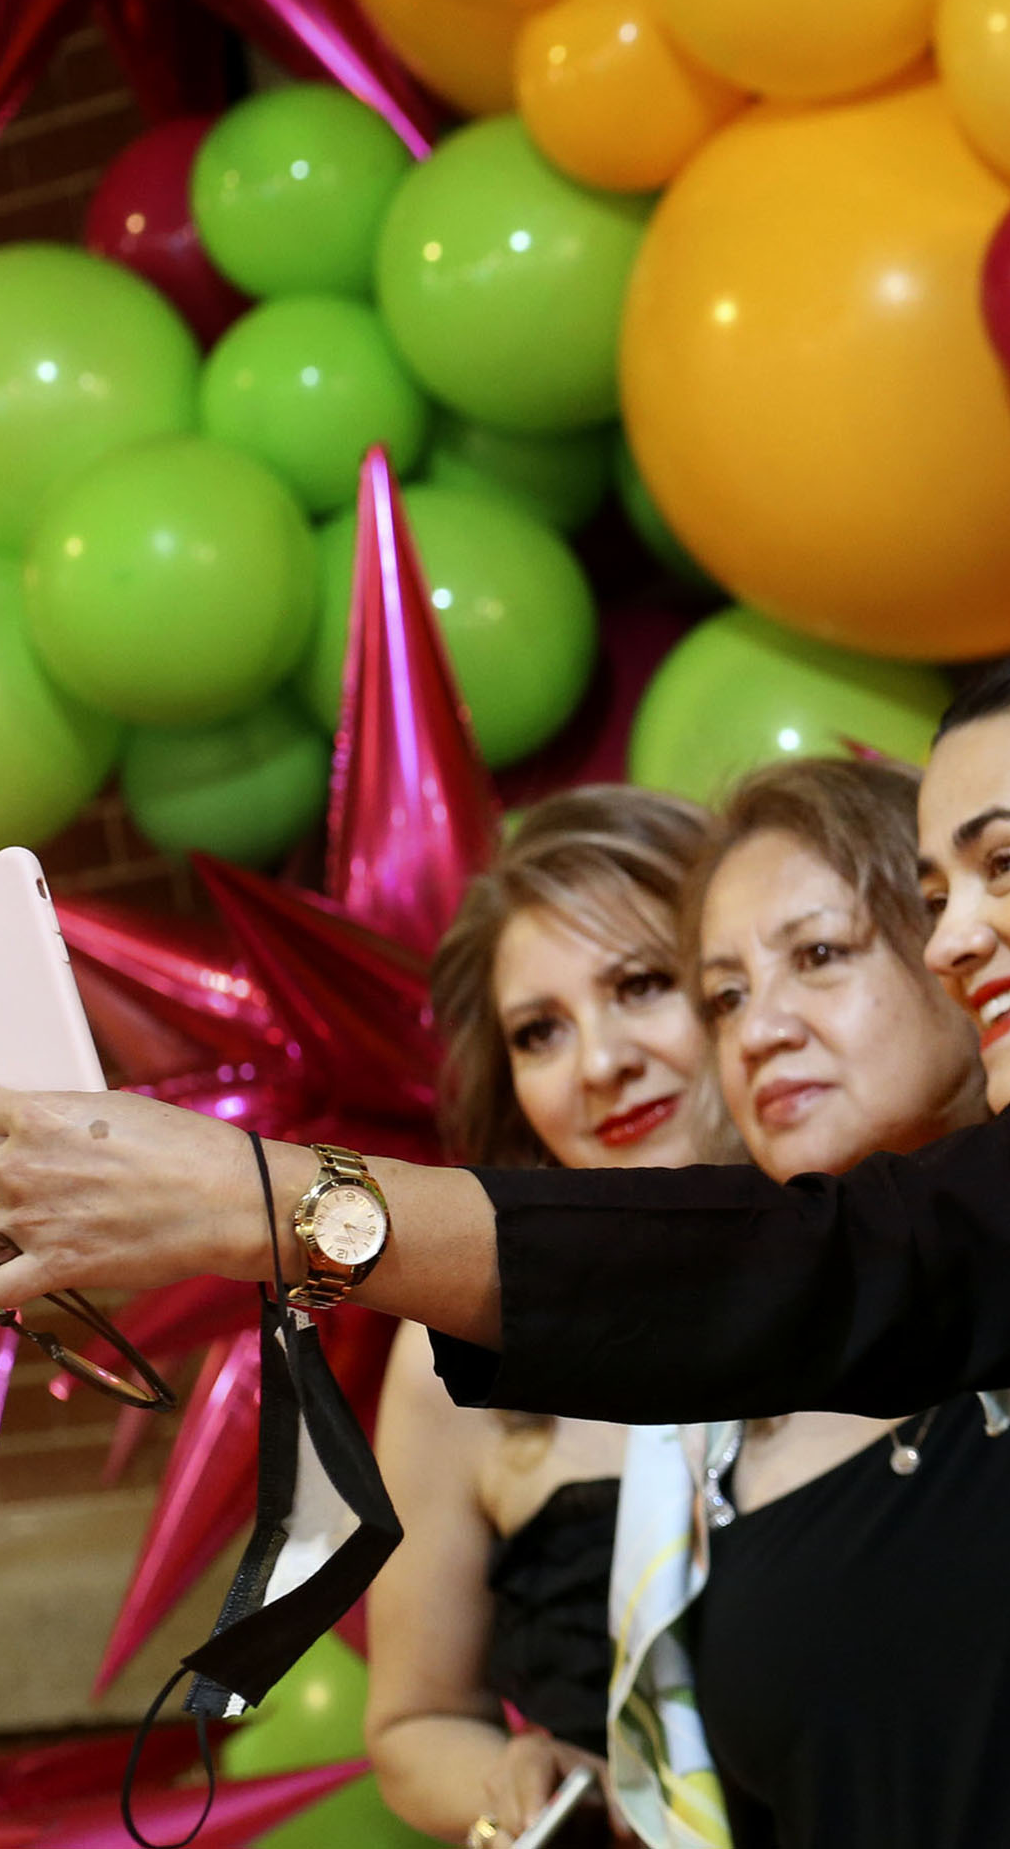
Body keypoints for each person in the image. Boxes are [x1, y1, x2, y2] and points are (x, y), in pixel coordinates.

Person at [0, 623, 1010, 1848]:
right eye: (728, 985)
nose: (964, 936)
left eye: (825, 949)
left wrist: (258, 1200)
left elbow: (840, 1260)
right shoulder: (742, 1407)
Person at [671, 756, 1010, 1849]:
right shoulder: (713, 1428)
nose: (761, 1031)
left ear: (958, 949)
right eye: (726, 996)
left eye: (819, 956)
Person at [365, 786, 732, 1849]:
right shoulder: (459, 1344)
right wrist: (524, 1791)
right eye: (541, 1033)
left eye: (644, 984)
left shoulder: (913, 1246)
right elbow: (414, 1722)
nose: (601, 1065)